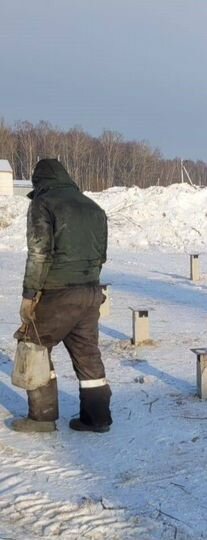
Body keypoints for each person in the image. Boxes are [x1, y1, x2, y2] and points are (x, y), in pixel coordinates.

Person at [11, 158, 112, 434]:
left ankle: (42, 418)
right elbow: (101, 254)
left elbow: (39, 253)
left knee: (34, 344)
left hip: (57, 292)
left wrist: (29, 295)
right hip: (91, 290)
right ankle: (97, 418)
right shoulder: (93, 207)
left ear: (39, 182)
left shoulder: (43, 204)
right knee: (87, 353)